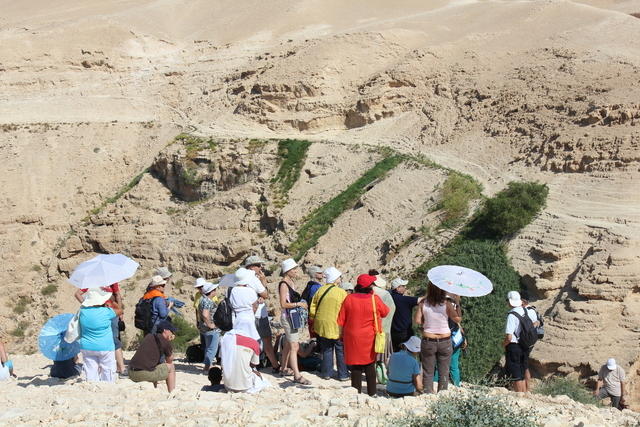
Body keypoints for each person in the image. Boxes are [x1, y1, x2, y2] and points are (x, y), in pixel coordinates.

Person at [337, 274, 390, 396]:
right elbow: (385, 312)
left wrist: (341, 335)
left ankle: (356, 392)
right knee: (370, 363)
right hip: (369, 336)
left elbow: (341, 319)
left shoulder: (349, 299)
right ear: (370, 287)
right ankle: (372, 392)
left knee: (355, 365)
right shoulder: (374, 299)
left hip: (352, 336)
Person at [414, 282, 461, 394]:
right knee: (444, 370)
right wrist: (458, 303)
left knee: (428, 371)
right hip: (445, 340)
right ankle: (442, 394)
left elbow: (417, 321)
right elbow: (458, 319)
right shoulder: (447, 304)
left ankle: (428, 393)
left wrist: (427, 321)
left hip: (428, 340)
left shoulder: (423, 303)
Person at [74, 282, 125, 374]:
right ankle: (119, 368)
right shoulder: (105, 280)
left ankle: (120, 367)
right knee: (112, 339)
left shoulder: (108, 280)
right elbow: (117, 295)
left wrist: (86, 305)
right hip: (108, 311)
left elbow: (117, 295)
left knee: (113, 338)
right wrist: (87, 305)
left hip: (107, 311)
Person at [242, 255, 281, 373]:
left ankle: (251, 365)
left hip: (249, 314)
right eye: (258, 265)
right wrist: (263, 282)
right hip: (258, 315)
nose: (261, 268)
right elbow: (265, 294)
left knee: (252, 341)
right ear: (251, 267)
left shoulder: (241, 280)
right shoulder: (253, 279)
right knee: (266, 340)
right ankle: (274, 365)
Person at [309, 266, 349, 381]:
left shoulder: (320, 290)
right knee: (340, 349)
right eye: (339, 277)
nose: (340, 279)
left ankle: (326, 373)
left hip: (321, 325)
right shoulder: (341, 292)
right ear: (335, 278)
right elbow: (346, 309)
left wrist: (314, 320)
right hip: (336, 325)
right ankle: (343, 374)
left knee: (326, 349)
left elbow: (313, 308)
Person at [278, 258, 311, 385]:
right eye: (294, 269)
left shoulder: (290, 282)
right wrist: (298, 304)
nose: (296, 271)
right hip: (288, 318)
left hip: (291, 317)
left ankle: (283, 368)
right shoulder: (284, 284)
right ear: (288, 271)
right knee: (294, 346)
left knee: (287, 343)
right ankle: (297, 375)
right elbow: (283, 304)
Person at [220, 315, 271, 393]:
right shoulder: (254, 343)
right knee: (261, 378)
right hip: (246, 386)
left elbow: (222, 359)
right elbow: (253, 364)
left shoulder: (225, 339)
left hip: (228, 385)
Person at [79, 288, 118, 382]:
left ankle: (92, 388)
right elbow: (120, 310)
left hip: (87, 346)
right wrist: (112, 303)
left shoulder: (83, 312)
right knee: (108, 369)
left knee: (90, 370)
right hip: (105, 346)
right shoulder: (107, 312)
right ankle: (107, 387)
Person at [502, 290, 538, 392]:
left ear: (509, 302)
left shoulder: (511, 315)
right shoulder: (525, 310)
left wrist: (503, 344)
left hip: (514, 346)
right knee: (522, 371)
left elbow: (509, 336)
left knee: (516, 373)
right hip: (524, 344)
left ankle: (519, 396)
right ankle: (525, 394)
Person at [128, 320, 176, 392]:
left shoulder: (149, 336)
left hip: (131, 372)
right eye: (171, 331)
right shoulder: (165, 342)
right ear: (165, 330)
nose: (173, 333)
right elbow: (169, 361)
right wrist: (169, 342)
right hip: (141, 374)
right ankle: (172, 392)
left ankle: (154, 388)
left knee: (156, 366)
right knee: (171, 367)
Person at [434, 293, 465, 387]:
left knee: (439, 364)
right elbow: (458, 322)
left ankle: (435, 384)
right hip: (455, 340)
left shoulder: (439, 310)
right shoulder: (454, 309)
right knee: (454, 366)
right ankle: (457, 386)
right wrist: (457, 303)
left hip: (444, 340)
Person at [369, 270, 396, 364]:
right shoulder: (384, 294)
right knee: (382, 354)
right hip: (383, 329)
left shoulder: (364, 292)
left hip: (368, 329)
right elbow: (391, 309)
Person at [390, 278, 420, 352]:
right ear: (398, 288)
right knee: (408, 353)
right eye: (403, 286)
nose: (405, 287)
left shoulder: (390, 298)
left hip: (392, 332)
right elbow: (420, 300)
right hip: (405, 333)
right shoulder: (404, 300)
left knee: (396, 353)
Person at [197, 279, 221, 373]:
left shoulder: (203, 299)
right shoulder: (208, 301)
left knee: (208, 347)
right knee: (212, 348)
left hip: (204, 328)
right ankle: (208, 366)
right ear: (210, 292)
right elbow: (205, 314)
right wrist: (210, 324)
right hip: (210, 329)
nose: (215, 291)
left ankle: (207, 365)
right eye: (214, 290)